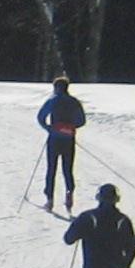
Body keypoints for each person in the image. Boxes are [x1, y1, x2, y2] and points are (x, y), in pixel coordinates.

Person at [36, 77, 86, 209]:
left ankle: (50, 199)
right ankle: (69, 192)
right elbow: (81, 121)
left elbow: (41, 117)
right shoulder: (74, 102)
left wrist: (49, 128)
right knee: (68, 169)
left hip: (54, 139)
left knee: (51, 168)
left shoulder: (53, 100)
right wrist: (69, 128)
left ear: (56, 87)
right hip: (68, 139)